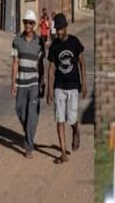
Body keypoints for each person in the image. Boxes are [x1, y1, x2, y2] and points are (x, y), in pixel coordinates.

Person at [47, 13, 87, 164]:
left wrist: (84, 83)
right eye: (56, 29)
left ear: (66, 27)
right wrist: (50, 90)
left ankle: (76, 130)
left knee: (71, 118)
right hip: (59, 87)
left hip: (73, 86)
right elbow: (51, 68)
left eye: (60, 29)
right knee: (59, 118)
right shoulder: (54, 46)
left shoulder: (74, 42)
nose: (58, 32)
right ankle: (63, 153)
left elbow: (82, 63)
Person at [11, 10, 45, 159]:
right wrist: (13, 83)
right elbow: (14, 63)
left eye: (30, 23)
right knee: (19, 110)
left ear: (35, 25)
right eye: (26, 22)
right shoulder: (17, 40)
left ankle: (28, 146)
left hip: (34, 83)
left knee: (31, 114)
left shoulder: (39, 42)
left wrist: (42, 82)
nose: (28, 25)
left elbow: (41, 65)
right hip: (21, 82)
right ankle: (29, 131)